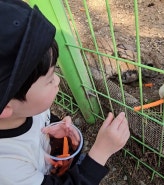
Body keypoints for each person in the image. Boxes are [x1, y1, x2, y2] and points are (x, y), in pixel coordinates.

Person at [0, 0, 130, 185]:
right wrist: (101, 152)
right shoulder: (7, 168)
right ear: (6, 107)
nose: (58, 80)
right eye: (50, 78)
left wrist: (53, 133)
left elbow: (38, 124)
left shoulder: (23, 109)